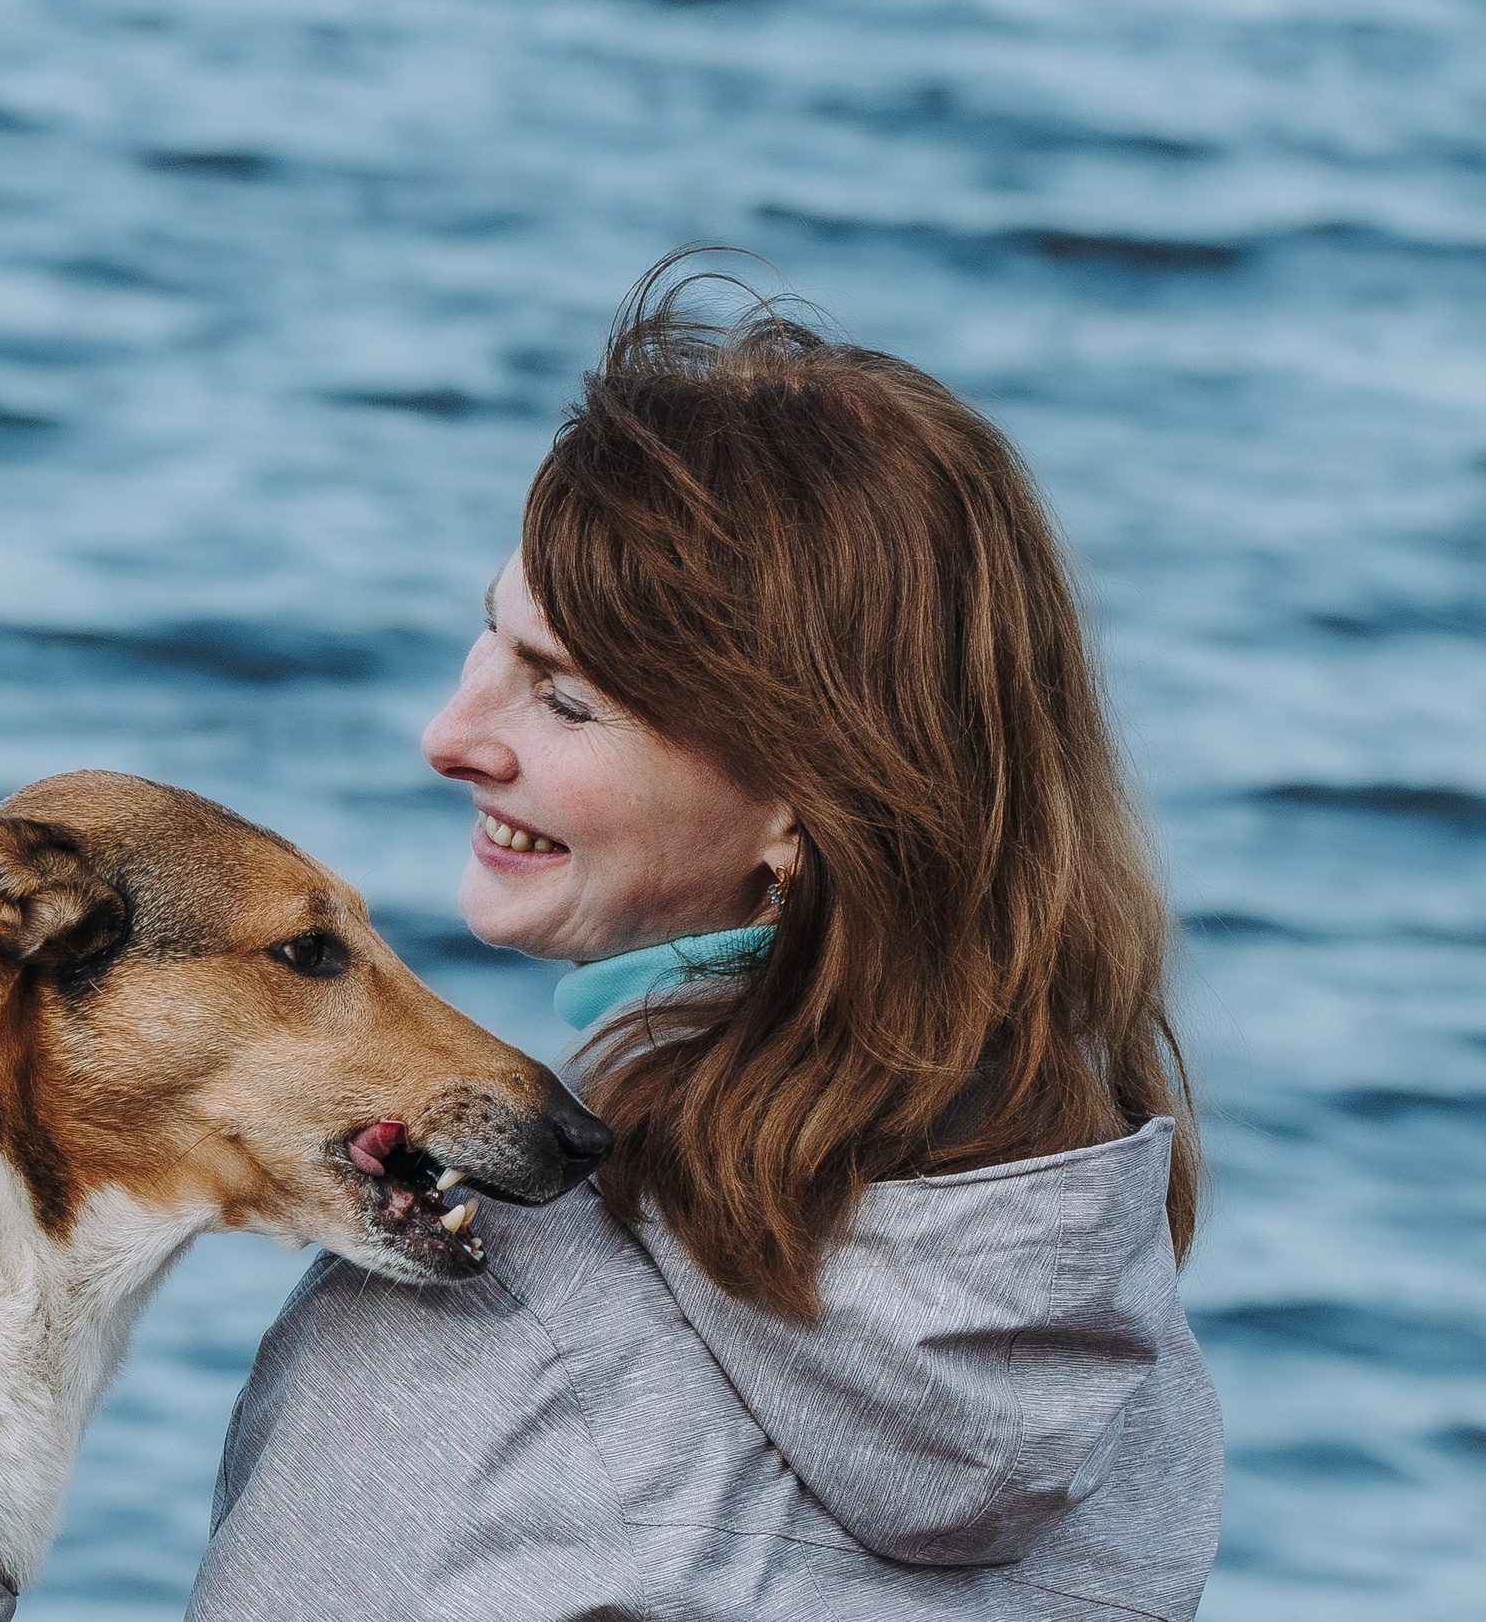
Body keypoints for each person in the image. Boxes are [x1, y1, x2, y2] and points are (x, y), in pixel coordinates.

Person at [186, 258, 1221, 1622]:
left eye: (562, 701)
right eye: (488, 642)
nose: (449, 735)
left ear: (803, 800)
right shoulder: (1101, 1317)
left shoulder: (478, 1291)